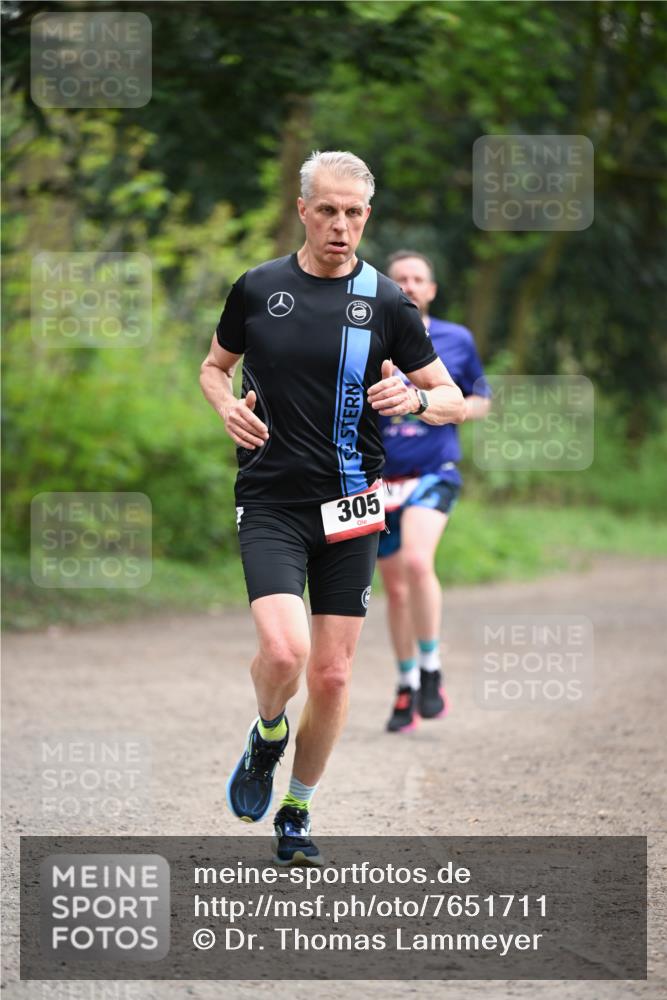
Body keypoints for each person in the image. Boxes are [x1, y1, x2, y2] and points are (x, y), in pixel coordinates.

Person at [199, 152, 464, 865]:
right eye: (328, 211)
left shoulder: (385, 301)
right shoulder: (257, 289)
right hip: (272, 500)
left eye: (353, 213)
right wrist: (225, 406)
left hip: (351, 505)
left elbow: (451, 398)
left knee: (334, 674)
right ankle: (267, 734)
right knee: (284, 653)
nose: (341, 225)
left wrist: (411, 399)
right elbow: (213, 366)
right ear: (303, 210)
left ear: (366, 217)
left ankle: (297, 810)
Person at [378, 251, 491, 733]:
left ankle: (432, 667)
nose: (408, 285)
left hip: (434, 470)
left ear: (431, 289)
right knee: (396, 590)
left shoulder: (456, 340)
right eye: (399, 278)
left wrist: (437, 405)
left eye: (417, 278)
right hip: (378, 481)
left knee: (418, 563)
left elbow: (480, 401)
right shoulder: (369, 338)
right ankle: (407, 686)